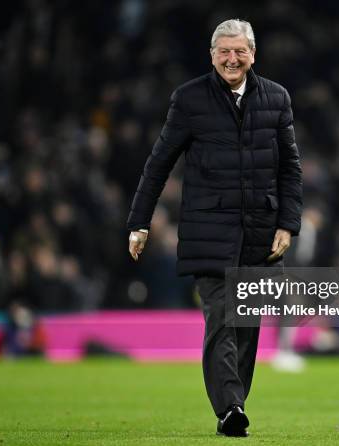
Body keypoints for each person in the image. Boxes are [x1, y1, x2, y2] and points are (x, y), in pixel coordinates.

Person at [127, 19, 302, 436]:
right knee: (222, 317)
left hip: (261, 234)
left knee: (246, 324)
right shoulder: (189, 100)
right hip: (210, 231)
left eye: (239, 51)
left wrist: (288, 225)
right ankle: (229, 408)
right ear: (211, 56)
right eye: (223, 51)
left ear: (253, 54)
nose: (231, 58)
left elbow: (290, 168)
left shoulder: (277, 99)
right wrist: (139, 221)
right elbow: (158, 163)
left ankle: (233, 403)